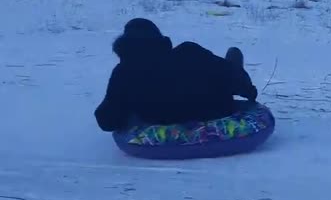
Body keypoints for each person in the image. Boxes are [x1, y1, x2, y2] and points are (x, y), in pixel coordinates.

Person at [94, 18, 258, 132]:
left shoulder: (123, 73)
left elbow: (107, 120)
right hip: (215, 112)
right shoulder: (189, 53)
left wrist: (129, 108)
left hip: (161, 120)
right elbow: (238, 84)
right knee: (231, 63)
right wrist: (249, 92)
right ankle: (234, 61)